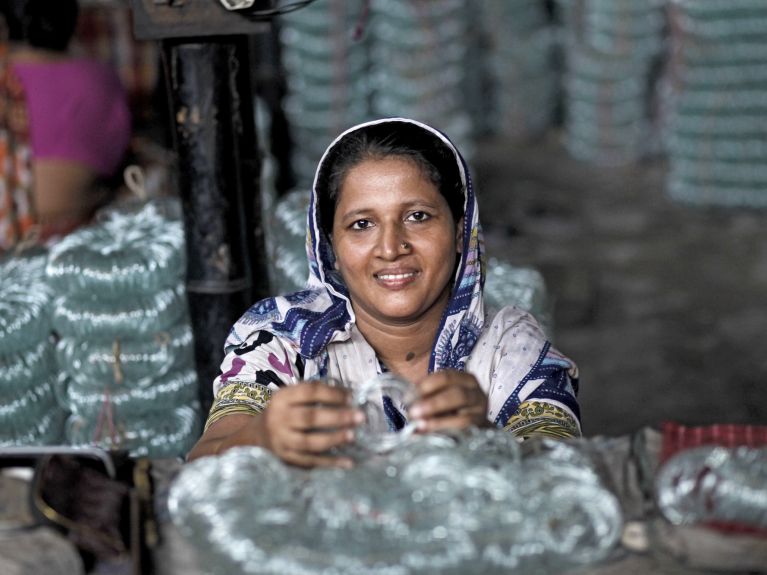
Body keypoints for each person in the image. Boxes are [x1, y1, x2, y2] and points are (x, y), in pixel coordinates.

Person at [188, 118, 580, 467]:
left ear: (461, 233)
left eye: (417, 217)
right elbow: (200, 465)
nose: (391, 248)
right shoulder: (284, 338)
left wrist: (486, 438)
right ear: (331, 250)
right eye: (362, 224)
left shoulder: (510, 348)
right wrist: (263, 437)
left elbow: (567, 479)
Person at [0, 0, 131, 251]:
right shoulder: (101, 81)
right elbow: (114, 158)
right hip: (75, 239)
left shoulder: (7, 80)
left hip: (11, 246)